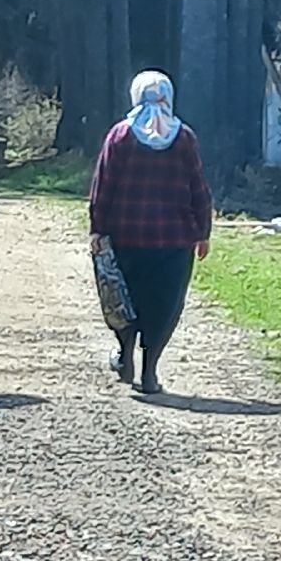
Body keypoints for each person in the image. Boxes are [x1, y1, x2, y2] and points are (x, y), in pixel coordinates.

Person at [89, 70, 213, 394]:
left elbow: (102, 186)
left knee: (122, 300)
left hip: (125, 236)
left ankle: (125, 352)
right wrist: (203, 232)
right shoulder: (184, 137)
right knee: (164, 305)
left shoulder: (119, 136)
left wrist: (97, 229)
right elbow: (198, 187)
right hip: (173, 241)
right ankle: (149, 372)